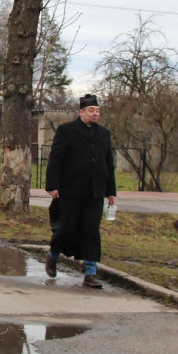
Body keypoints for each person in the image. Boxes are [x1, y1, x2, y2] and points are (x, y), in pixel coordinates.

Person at [44, 93, 117, 289]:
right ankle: (52, 256)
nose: (95, 114)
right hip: (70, 190)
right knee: (67, 228)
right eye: (91, 110)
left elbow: (108, 163)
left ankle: (91, 272)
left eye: (98, 111)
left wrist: (111, 191)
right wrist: (52, 185)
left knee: (91, 231)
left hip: (95, 191)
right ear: (81, 112)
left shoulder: (104, 134)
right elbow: (56, 159)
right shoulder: (67, 131)